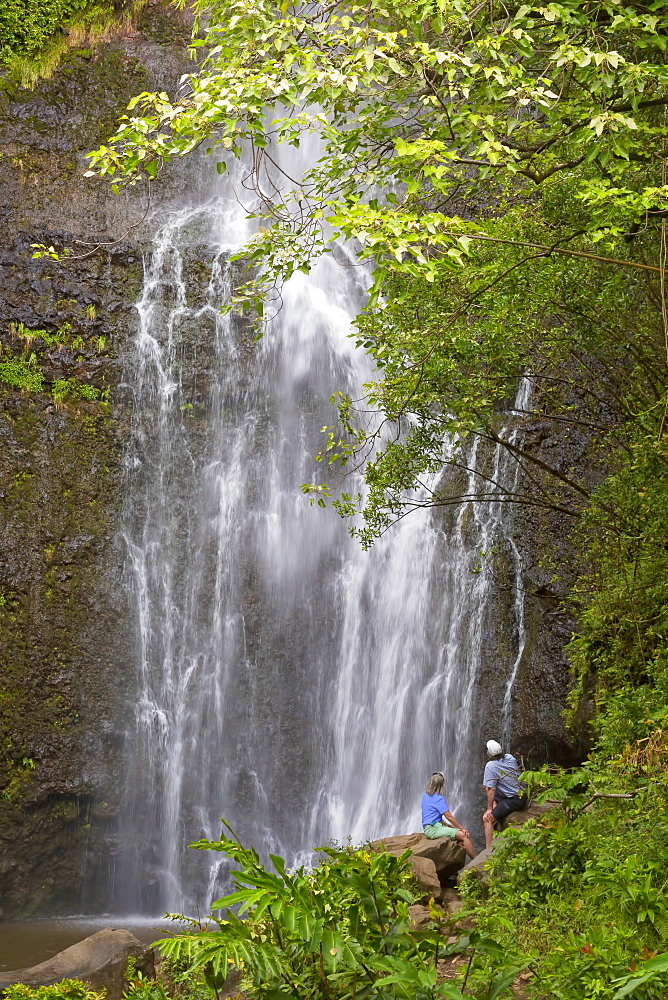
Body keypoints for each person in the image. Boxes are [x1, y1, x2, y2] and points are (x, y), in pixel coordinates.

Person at [482, 739, 527, 848]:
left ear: (489, 753)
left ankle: (487, 851)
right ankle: (496, 810)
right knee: (492, 787)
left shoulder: (490, 766)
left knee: (487, 820)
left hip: (515, 799)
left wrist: (489, 809)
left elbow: (490, 789)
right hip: (521, 793)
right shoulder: (510, 757)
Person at [422, 772, 477, 859]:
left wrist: (444, 824)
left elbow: (430, 814)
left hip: (430, 827)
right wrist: (461, 828)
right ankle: (476, 861)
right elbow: (449, 816)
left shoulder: (426, 796)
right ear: (441, 786)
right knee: (464, 835)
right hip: (433, 829)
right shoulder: (439, 798)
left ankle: (453, 864)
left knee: (461, 841)